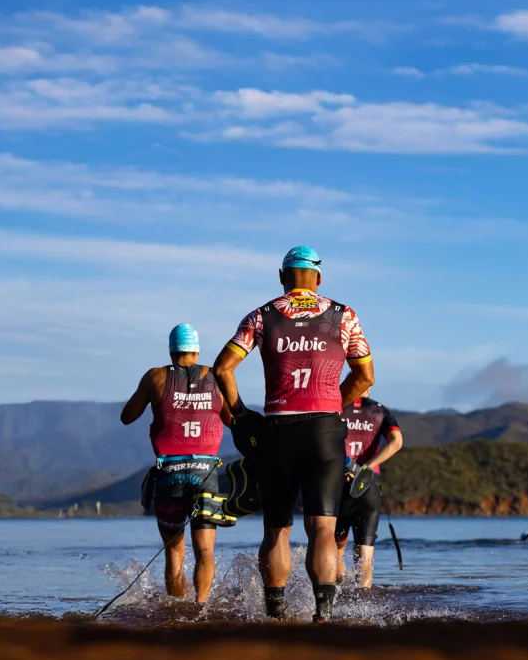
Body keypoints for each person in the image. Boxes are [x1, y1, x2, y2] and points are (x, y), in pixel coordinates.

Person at [213, 246, 374, 623]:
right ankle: (323, 616)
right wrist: (334, 403)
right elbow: (366, 377)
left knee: (276, 530)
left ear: (283, 276)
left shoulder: (262, 316)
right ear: (318, 278)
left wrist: (238, 414)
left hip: (277, 432)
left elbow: (222, 369)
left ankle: (276, 614)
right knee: (323, 527)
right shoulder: (343, 316)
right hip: (324, 430)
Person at [121, 324, 231, 604]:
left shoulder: (155, 376)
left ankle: (177, 611)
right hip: (206, 472)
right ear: (197, 350)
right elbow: (232, 419)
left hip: (169, 472)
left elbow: (127, 416)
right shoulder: (217, 376)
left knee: (174, 552)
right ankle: (200, 608)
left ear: (171, 350)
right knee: (205, 552)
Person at [336, 389, 403, 589]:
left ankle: (335, 601)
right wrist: (365, 468)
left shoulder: (334, 406)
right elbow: (397, 442)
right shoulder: (380, 410)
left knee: (337, 547)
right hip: (368, 484)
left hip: (339, 483)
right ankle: (363, 604)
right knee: (365, 552)